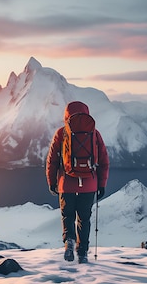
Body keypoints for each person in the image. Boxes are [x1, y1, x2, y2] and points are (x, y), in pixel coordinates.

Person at [46, 101, 109, 264]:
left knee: (67, 216)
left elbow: (52, 161)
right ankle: (83, 253)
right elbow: (104, 160)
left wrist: (52, 182)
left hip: (66, 184)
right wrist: (101, 184)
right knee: (84, 219)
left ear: (66, 115)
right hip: (89, 185)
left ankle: (69, 242)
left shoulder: (61, 133)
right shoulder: (94, 134)